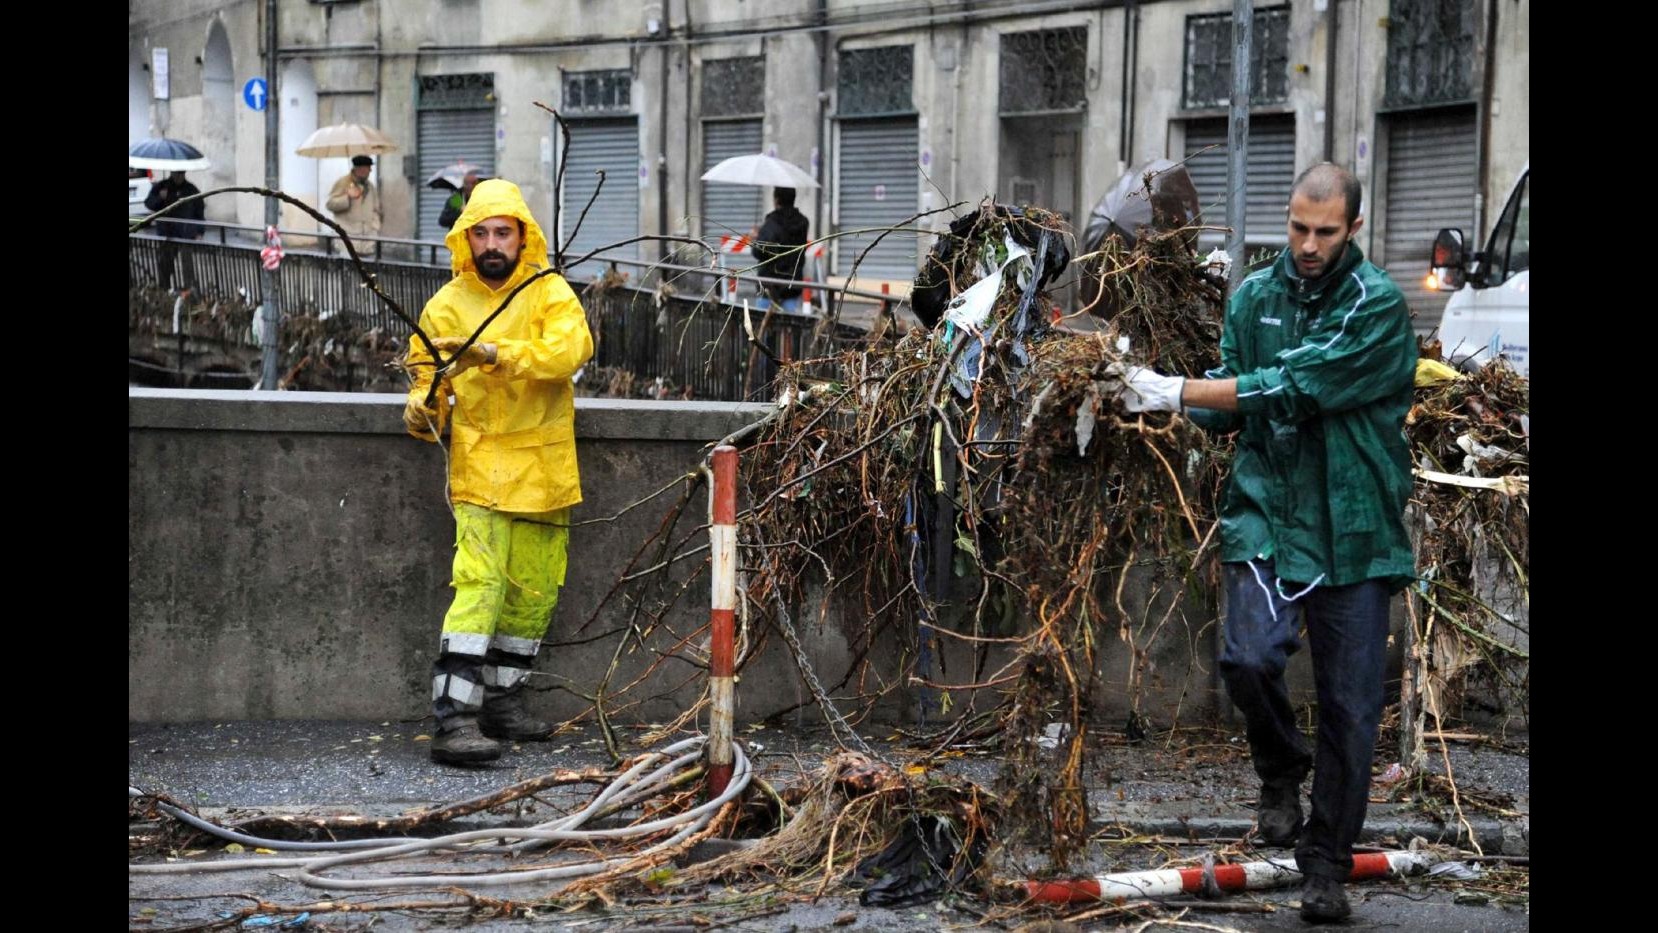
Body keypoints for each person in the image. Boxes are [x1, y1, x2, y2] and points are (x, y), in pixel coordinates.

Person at [1106, 163, 1417, 924]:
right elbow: (1231, 402)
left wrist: (1176, 388)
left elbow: (1293, 386)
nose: (1308, 245)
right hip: (1268, 515)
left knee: (1349, 709)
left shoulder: (1375, 307)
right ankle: (1280, 769)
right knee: (1247, 657)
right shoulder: (1253, 298)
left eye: (1326, 232)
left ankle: (1325, 863)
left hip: (1354, 529)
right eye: (1298, 228)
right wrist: (1137, 389)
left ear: (1353, 230)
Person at [402, 179, 596, 766]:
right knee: (480, 588)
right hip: (481, 465)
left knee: (533, 596)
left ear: (521, 237)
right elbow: (426, 381)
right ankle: (453, 719)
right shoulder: (445, 305)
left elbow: (570, 351)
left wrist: (493, 354)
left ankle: (503, 705)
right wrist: (422, 408)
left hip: (545, 467)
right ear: (466, 238)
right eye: (481, 233)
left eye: (502, 233)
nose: (492, 244)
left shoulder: (549, 292)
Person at [748, 186, 810, 311]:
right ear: (793, 199)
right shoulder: (803, 223)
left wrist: (755, 239)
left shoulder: (771, 223)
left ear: (776, 200)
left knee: (763, 326)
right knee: (789, 325)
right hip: (792, 285)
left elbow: (759, 252)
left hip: (769, 286)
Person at [144, 170, 205, 292]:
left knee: (187, 265)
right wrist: (160, 198)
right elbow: (149, 203)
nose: (178, 177)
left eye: (180, 174)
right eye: (175, 174)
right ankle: (164, 289)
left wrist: (199, 231)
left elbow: (199, 211)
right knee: (165, 264)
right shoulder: (162, 187)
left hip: (186, 234)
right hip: (167, 234)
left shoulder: (191, 189)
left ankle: (189, 291)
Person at [326, 155, 383, 250]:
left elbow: (376, 209)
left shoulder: (370, 186)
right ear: (358, 169)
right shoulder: (343, 182)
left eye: (369, 168)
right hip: (347, 237)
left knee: (366, 264)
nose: (370, 171)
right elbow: (330, 204)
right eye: (367, 168)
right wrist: (347, 197)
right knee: (348, 264)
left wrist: (375, 227)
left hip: (368, 238)